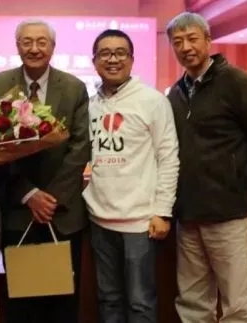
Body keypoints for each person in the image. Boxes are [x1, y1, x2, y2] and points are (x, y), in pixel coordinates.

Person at [165, 12, 247, 323]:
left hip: (229, 214)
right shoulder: (176, 93)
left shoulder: (238, 83)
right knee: (193, 303)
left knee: (237, 306)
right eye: (177, 42)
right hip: (188, 215)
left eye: (192, 38)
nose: (186, 47)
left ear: (208, 41)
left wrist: (239, 178)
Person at [0, 19, 90, 323]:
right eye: (27, 42)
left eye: (42, 42)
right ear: (17, 46)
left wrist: (51, 198)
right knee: (20, 304)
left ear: (52, 47)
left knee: (62, 306)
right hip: (17, 213)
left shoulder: (74, 88)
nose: (34, 48)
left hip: (62, 214)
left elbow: (81, 146)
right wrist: (29, 194)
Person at [83, 29, 179, 323]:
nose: (113, 59)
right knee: (108, 299)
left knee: (140, 302)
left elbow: (168, 157)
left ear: (132, 59)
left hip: (140, 222)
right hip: (99, 219)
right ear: (95, 61)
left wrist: (163, 211)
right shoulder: (90, 104)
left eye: (120, 53)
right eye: (105, 54)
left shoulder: (152, 100)